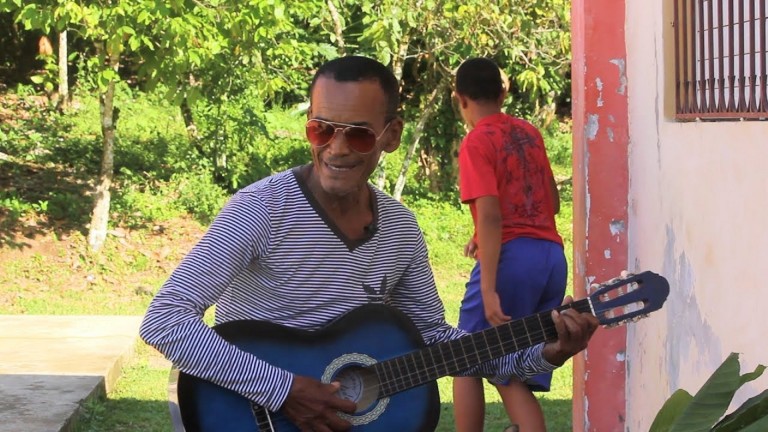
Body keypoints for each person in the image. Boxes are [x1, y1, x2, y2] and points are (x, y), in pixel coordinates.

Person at [139, 55, 596, 432]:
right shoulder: (262, 209)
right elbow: (165, 320)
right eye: (322, 129)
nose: (336, 149)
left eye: (357, 134)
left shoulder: (398, 227)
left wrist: (541, 351)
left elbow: (435, 338)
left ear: (390, 136)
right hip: (242, 414)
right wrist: (282, 390)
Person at [451, 57, 568, 432]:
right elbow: (550, 200)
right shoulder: (528, 133)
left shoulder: (476, 141)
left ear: (460, 98)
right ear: (504, 92)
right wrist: (481, 237)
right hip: (551, 257)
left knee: (463, 356)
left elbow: (490, 216)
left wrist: (488, 289)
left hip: (513, 262)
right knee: (509, 364)